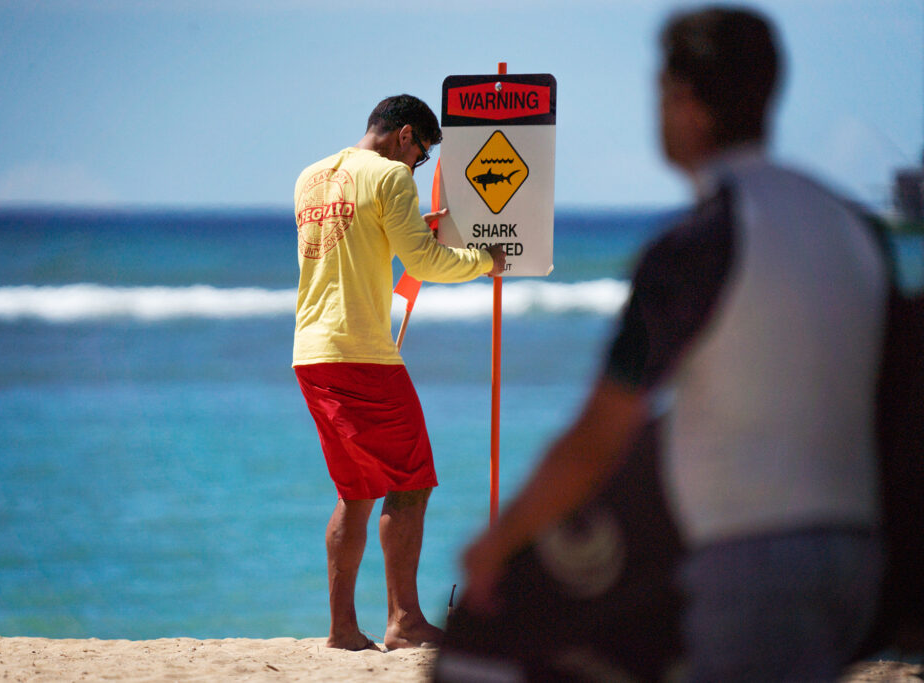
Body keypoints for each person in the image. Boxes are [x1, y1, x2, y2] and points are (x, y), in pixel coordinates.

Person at [459, 6, 889, 681]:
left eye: (661, 93)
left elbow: (602, 432)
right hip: (861, 555)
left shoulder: (695, 245)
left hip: (752, 557)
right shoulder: (853, 224)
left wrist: (498, 542)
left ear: (687, 104)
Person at [293, 94, 506, 652]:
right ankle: (404, 619)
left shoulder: (311, 176)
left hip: (310, 350)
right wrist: (487, 260)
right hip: (360, 353)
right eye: (422, 157)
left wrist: (409, 224)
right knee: (410, 482)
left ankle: (342, 629)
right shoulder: (390, 176)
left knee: (356, 489)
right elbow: (425, 264)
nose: (417, 169)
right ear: (406, 136)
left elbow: (356, 245)